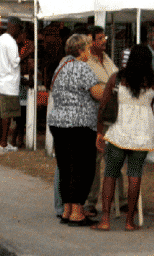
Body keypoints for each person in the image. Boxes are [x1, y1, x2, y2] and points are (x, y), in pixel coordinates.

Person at [91, 45, 154, 232]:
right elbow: (150, 104)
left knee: (110, 175)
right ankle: (129, 221)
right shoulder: (153, 81)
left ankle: (105, 220)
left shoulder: (117, 78)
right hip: (142, 135)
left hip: (118, 133)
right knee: (135, 176)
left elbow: (103, 107)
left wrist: (99, 133)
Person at [47, 34, 105, 226]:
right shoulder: (82, 68)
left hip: (58, 123)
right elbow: (96, 93)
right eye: (88, 48)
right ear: (81, 50)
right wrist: (109, 89)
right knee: (83, 167)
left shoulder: (61, 66)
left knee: (66, 167)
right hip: (79, 124)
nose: (90, 51)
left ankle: (67, 210)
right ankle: (77, 211)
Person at [82, 25, 119, 217]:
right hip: (96, 113)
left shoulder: (108, 60)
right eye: (99, 38)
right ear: (91, 41)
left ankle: (119, 201)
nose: (104, 41)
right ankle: (90, 201)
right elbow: (92, 90)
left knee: (115, 156)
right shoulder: (87, 62)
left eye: (104, 37)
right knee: (95, 159)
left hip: (113, 113)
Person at [0, 17, 23, 154]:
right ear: (15, 27)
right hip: (9, 83)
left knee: (0, 115)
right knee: (7, 116)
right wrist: (27, 51)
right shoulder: (11, 42)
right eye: (20, 28)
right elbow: (15, 61)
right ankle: (4, 143)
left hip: (0, 82)